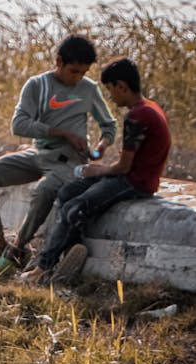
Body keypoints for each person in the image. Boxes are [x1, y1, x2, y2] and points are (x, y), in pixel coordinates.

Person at [19, 56, 171, 286]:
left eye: (111, 90)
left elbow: (124, 167)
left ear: (121, 86)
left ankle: (42, 269)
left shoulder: (137, 116)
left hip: (136, 182)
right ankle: (71, 252)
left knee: (73, 208)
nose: (110, 96)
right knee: (67, 192)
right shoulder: (150, 107)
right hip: (132, 175)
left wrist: (97, 171)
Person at [0, 34, 116, 273]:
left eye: (83, 72)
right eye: (73, 71)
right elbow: (19, 124)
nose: (77, 77)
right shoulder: (37, 85)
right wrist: (60, 132)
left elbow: (108, 125)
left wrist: (101, 147)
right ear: (58, 61)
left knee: (45, 189)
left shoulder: (89, 89)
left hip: (69, 160)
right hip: (39, 153)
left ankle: (18, 247)